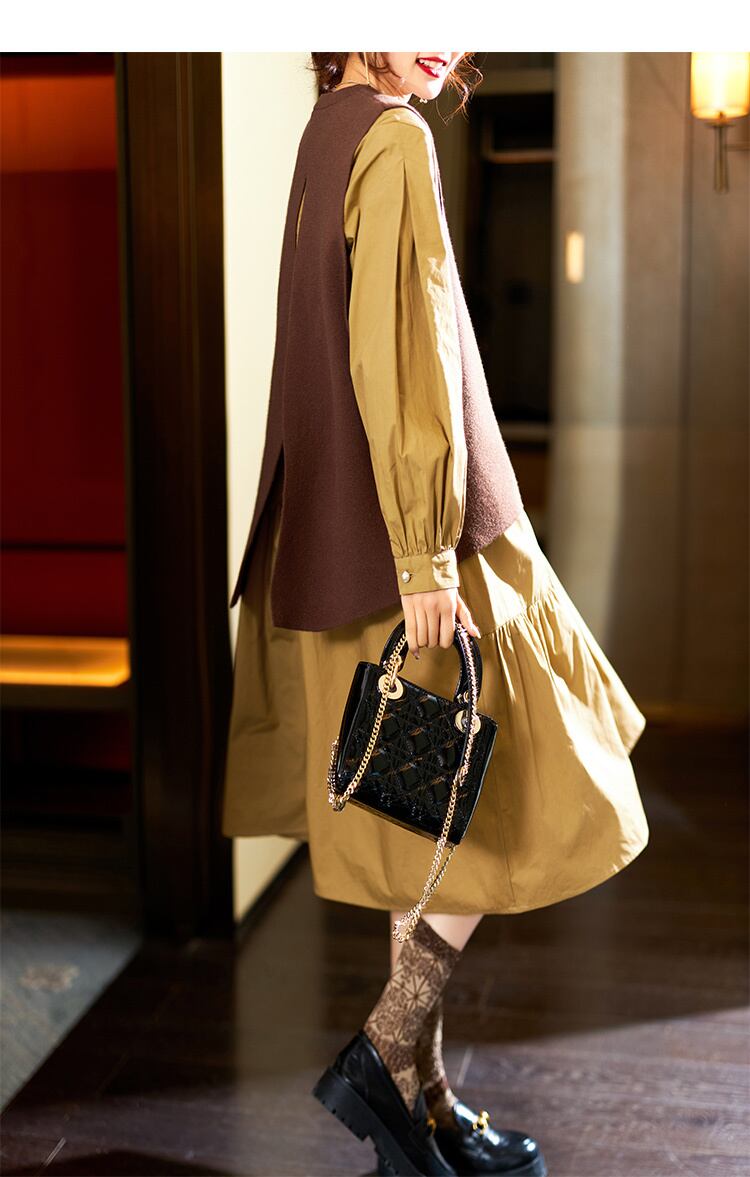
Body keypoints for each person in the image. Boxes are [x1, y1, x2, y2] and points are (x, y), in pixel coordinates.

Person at [221, 51, 650, 1177]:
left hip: (333, 539)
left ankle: (425, 1107)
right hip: (411, 546)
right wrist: (424, 555)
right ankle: (383, 1052)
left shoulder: (329, 127)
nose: (445, 42)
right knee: (510, 794)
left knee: (424, 816)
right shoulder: (395, 136)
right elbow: (399, 350)